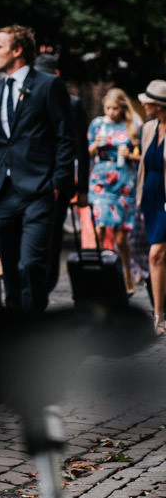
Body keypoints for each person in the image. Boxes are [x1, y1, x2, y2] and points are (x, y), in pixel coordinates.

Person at [0, 25, 74, 314]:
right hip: (0, 193)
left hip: (38, 191)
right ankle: (16, 328)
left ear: (17, 50)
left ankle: (34, 320)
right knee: (9, 269)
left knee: (31, 263)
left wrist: (57, 182)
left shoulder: (47, 85)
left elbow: (64, 138)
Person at [34, 52, 91, 294]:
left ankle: (46, 283)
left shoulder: (73, 104)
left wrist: (83, 188)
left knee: (53, 236)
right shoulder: (31, 98)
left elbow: (81, 149)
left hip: (61, 180)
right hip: (34, 179)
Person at [86, 87, 141, 295]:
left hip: (123, 179)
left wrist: (130, 155)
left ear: (122, 107)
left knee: (120, 238)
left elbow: (143, 156)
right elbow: (85, 152)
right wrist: (94, 146)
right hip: (101, 179)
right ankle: (102, 275)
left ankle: (127, 273)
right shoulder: (97, 125)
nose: (111, 112)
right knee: (99, 228)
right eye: (108, 108)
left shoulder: (133, 125)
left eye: (115, 108)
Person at [136, 79, 166, 336]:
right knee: (159, 256)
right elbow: (143, 166)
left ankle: (159, 314)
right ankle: (159, 314)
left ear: (160, 105)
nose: (143, 104)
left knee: (156, 254)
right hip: (150, 199)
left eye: (148, 101)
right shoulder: (147, 129)